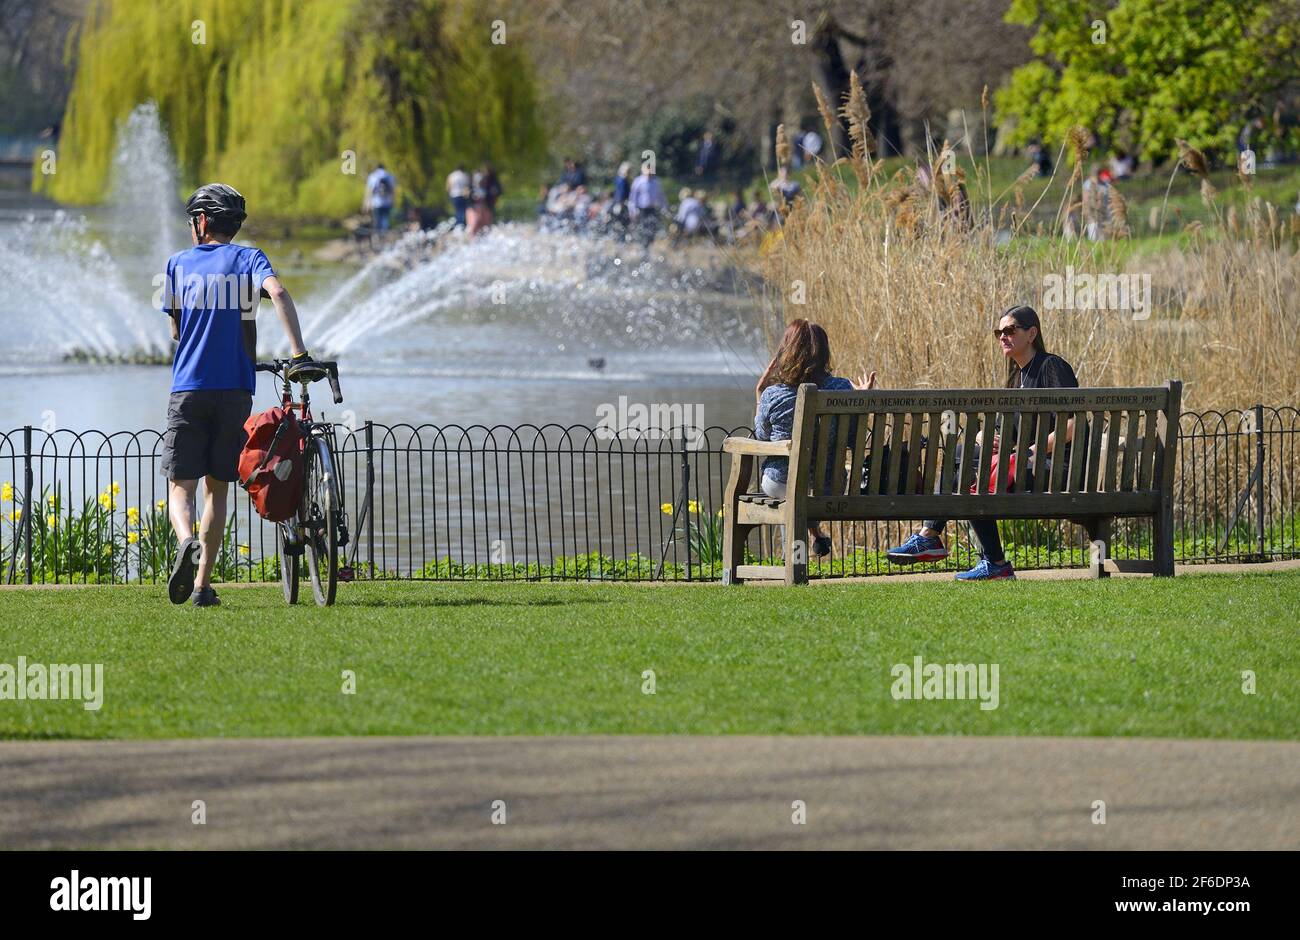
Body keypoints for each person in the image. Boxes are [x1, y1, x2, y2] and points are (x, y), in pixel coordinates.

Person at [158, 183, 315, 607]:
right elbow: (278, 293)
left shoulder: (176, 264)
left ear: (202, 222)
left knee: (180, 487)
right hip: (236, 390)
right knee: (218, 489)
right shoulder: (249, 258)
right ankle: (202, 587)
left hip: (189, 387)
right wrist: (298, 354)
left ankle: (186, 539)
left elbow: (175, 330)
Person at [886, 305, 1078, 581]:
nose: (1003, 336)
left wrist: (1028, 451)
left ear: (1032, 333)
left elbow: (1072, 424)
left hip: (1054, 467)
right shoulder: (1016, 377)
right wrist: (984, 438)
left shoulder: (1052, 366)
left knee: (967, 466)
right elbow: (1004, 430)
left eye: (1010, 330)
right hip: (1025, 464)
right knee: (964, 454)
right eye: (999, 332)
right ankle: (947, 543)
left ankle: (948, 543)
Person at [755, 319, 876, 559]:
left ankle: (794, 560)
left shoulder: (773, 394)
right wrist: (860, 402)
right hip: (829, 485)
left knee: (791, 492)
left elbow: (762, 438)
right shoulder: (842, 389)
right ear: (824, 353)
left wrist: (759, 396)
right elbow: (854, 439)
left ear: (786, 352)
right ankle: (815, 535)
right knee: (801, 494)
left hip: (781, 483)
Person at [629, 165, 667, 246]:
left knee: (652, 228)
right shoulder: (638, 181)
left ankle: (648, 245)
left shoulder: (656, 181)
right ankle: (642, 245)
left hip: (652, 209)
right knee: (643, 228)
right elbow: (633, 197)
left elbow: (661, 196)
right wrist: (633, 210)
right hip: (641, 209)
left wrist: (664, 207)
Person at [364, 163, 396, 233]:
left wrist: (367, 203)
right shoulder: (389, 176)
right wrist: (393, 201)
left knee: (377, 221)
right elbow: (393, 191)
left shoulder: (373, 176)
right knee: (385, 220)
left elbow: (369, 191)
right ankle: (384, 236)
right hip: (387, 202)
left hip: (376, 203)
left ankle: (378, 237)